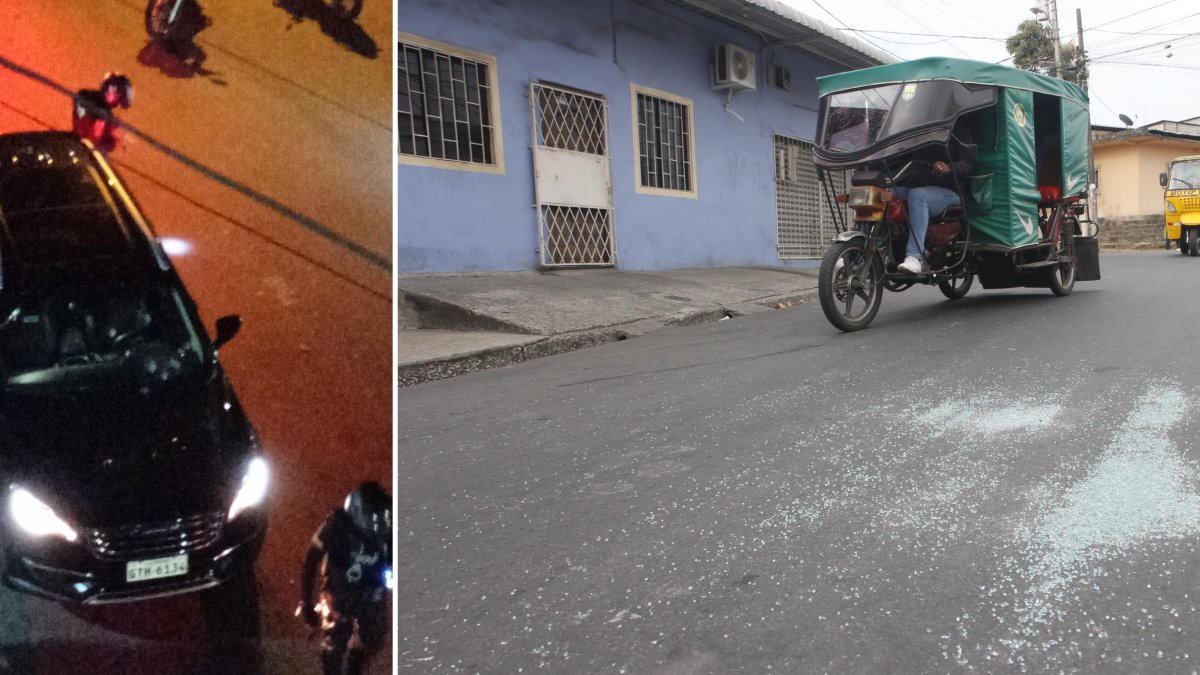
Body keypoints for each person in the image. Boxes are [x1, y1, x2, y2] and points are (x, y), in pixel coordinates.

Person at [298, 481, 393, 675]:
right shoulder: (337, 526)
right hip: (339, 591)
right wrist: (307, 602)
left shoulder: (384, 527)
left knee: (374, 637)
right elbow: (311, 560)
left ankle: (355, 661)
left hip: (370, 590)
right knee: (334, 644)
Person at [896, 120, 976, 274]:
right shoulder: (917, 129)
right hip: (915, 186)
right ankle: (858, 257)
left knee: (917, 196)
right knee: (876, 194)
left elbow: (968, 164)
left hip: (951, 191)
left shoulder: (959, 129)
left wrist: (949, 167)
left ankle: (915, 256)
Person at [72, 72, 133, 154]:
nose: (111, 94)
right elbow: (91, 137)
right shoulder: (88, 98)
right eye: (116, 95)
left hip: (82, 147)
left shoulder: (106, 115)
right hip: (80, 148)